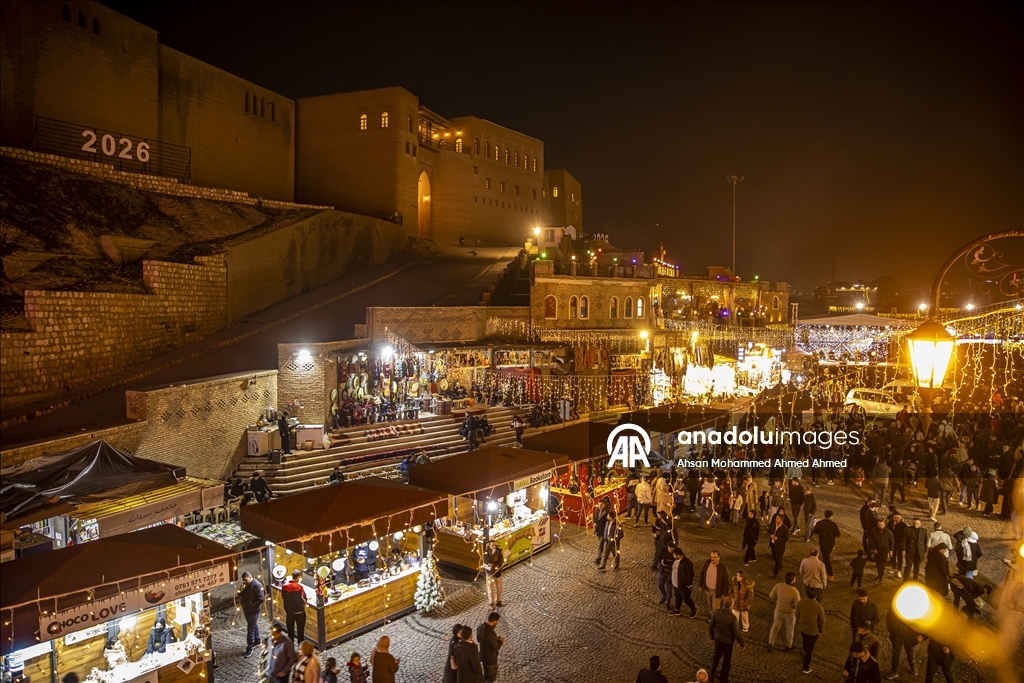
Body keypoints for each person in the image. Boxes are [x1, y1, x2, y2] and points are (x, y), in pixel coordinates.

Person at [708, 596, 746, 683]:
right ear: (731, 605)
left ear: (724, 603)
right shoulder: (733, 618)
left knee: (716, 657)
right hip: (728, 642)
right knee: (726, 661)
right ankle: (723, 680)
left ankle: (710, 677)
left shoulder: (717, 613)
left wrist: (712, 636)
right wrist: (742, 643)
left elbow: (711, 626)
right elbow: (737, 633)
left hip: (718, 639)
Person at [767, 572, 800, 652]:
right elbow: (797, 605)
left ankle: (770, 643)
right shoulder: (795, 592)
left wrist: (778, 600)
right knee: (790, 629)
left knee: (775, 627)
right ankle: (789, 645)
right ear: (793, 581)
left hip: (779, 610)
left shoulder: (778, 586)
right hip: (789, 613)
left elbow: (771, 596)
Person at [886, 608, 923, 679]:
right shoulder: (895, 606)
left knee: (910, 653)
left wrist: (917, 635)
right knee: (895, 654)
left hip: (909, 637)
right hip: (897, 635)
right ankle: (894, 671)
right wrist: (892, 630)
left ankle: (913, 667)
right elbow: (889, 618)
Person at [795, 588, 825, 674]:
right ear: (816, 596)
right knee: (810, 648)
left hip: (802, 628)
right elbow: (822, 621)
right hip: (813, 631)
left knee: (805, 642)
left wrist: (798, 623)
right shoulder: (819, 607)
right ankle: (806, 666)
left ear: (807, 594)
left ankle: (806, 654)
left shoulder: (800, 603)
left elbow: (797, 614)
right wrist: (820, 630)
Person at [238, 571, 265, 658]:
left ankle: (249, 648)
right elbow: (243, 594)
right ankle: (257, 640)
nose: (244, 582)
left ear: (250, 577)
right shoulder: (246, 585)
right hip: (247, 609)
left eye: (246, 580)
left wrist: (252, 605)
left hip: (253, 611)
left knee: (250, 630)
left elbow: (261, 599)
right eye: (243, 580)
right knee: (253, 625)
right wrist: (240, 592)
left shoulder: (257, 585)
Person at [699, 550, 730, 618]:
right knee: (709, 603)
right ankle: (712, 615)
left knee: (715, 607)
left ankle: (715, 618)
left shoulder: (722, 568)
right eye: (711, 557)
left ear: (719, 558)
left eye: (715, 557)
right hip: (708, 589)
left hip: (717, 591)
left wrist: (724, 593)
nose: (712, 559)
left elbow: (726, 581)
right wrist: (701, 585)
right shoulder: (707, 563)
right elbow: (702, 574)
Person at [668, 547, 698, 617]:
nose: (673, 556)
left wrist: (688, 584)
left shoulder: (687, 563)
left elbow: (690, 574)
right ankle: (676, 610)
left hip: (683, 584)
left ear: (677, 555)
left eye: (674, 554)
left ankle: (694, 609)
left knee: (686, 599)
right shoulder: (674, 560)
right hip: (675, 583)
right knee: (677, 597)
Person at [811, 509, 841, 578]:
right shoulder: (833, 525)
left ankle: (830, 573)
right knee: (826, 557)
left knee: (826, 557)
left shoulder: (820, 523)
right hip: (831, 544)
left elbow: (815, 531)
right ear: (831, 516)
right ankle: (824, 571)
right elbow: (838, 534)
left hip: (823, 543)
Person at [477, 612, 504, 682]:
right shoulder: (491, 633)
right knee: (491, 678)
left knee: (486, 675)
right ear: (494, 621)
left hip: (483, 657)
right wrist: (500, 642)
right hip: (490, 660)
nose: (497, 623)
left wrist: (494, 640)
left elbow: (479, 639)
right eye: (497, 621)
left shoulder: (480, 627)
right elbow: (495, 648)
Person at [281, 570, 307, 643]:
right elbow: (304, 599)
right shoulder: (300, 587)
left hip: (289, 613)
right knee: (300, 633)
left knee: (290, 634)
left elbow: (283, 597)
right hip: (300, 613)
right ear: (298, 577)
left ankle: (290, 648)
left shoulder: (284, 587)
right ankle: (300, 648)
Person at [483, 540, 504, 609]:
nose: (494, 546)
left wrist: (494, 564)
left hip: (497, 571)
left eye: (495, 545)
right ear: (489, 546)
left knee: (499, 588)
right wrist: (492, 553)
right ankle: (491, 603)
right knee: (490, 589)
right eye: (492, 545)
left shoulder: (499, 550)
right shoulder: (486, 552)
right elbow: (487, 561)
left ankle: (498, 600)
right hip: (490, 573)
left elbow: (501, 560)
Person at [768, 512, 790, 579]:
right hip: (773, 545)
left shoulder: (784, 528)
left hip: (780, 547)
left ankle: (775, 573)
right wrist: (770, 535)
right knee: (775, 558)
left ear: (781, 520)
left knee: (777, 560)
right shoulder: (773, 525)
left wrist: (778, 538)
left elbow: (786, 538)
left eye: (777, 518)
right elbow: (769, 531)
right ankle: (779, 565)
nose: (775, 519)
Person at [593, 499, 610, 564]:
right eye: (599, 504)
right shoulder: (597, 510)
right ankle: (608, 553)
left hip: (604, 531)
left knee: (600, 544)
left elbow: (608, 522)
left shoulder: (607, 512)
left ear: (604, 505)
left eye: (601, 505)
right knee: (602, 544)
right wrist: (594, 522)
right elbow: (594, 517)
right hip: (598, 530)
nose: (600, 506)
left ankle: (598, 557)